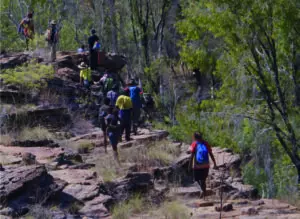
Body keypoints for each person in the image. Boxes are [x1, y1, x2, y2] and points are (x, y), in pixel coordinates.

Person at [189, 132, 217, 199]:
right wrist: (215, 163)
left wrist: (189, 166)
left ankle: (200, 190)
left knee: (196, 180)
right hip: (206, 166)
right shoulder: (206, 143)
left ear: (194, 137)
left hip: (197, 166)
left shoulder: (194, 144)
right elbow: (211, 154)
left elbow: (192, 156)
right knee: (203, 180)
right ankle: (204, 197)